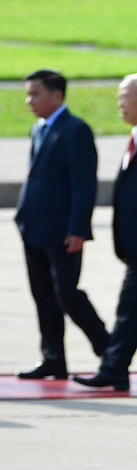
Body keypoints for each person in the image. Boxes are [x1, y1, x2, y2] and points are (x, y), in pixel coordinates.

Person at [15, 69, 108, 380]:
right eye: (28, 94)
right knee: (43, 296)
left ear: (57, 95)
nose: (30, 101)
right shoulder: (38, 129)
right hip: (34, 228)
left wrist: (79, 229)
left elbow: (84, 185)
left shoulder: (75, 130)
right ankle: (53, 358)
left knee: (67, 294)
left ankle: (109, 351)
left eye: (35, 94)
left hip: (62, 230)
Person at [78, 75, 137, 390]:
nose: (119, 103)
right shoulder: (133, 139)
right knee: (130, 311)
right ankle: (115, 368)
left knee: (129, 311)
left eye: (125, 96)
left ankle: (114, 368)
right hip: (133, 247)